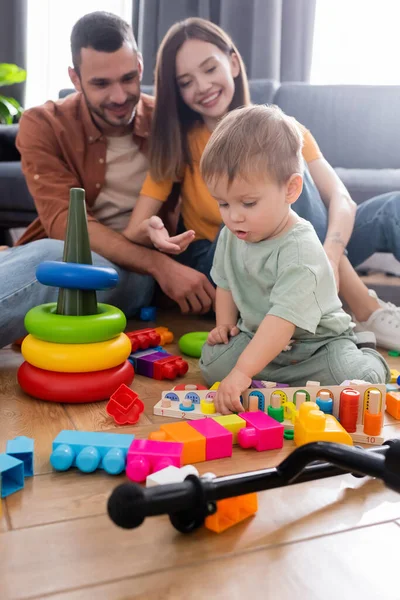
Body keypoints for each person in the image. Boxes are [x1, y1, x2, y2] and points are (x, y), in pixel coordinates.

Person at [123, 17, 400, 351]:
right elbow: (135, 229)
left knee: (385, 207)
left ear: (234, 63)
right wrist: (152, 230)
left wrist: (329, 252)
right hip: (236, 259)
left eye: (210, 69)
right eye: (186, 81)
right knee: (272, 187)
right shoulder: (178, 142)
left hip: (307, 253)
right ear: (177, 92)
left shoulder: (284, 127)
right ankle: (364, 309)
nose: (202, 86)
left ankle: (335, 301)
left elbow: (341, 197)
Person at [0, 11, 215, 349]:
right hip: (96, 254)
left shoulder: (168, 120)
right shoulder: (44, 124)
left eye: (128, 78)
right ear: (75, 77)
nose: (118, 96)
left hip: (135, 275)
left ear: (141, 67)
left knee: (47, 265)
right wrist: (160, 266)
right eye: (101, 83)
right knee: (45, 259)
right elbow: (64, 223)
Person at [197, 105, 390, 414]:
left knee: (358, 381)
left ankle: (363, 352)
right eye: (223, 203)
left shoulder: (300, 249)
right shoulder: (232, 234)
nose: (233, 216)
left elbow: (282, 321)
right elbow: (225, 284)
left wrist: (243, 373)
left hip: (318, 345)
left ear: (290, 189)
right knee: (212, 362)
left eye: (248, 203)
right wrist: (225, 326)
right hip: (259, 338)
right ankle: (278, 381)